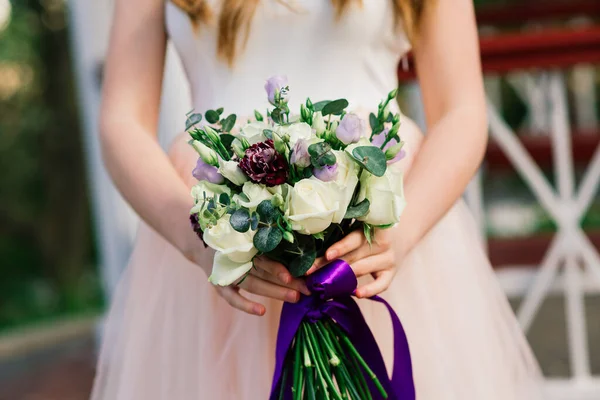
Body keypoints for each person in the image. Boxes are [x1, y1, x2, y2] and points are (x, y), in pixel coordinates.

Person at [91, 0, 543, 399]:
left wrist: (399, 233)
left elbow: (461, 109)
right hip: (212, 236)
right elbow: (121, 121)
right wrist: (201, 238)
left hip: (384, 230)